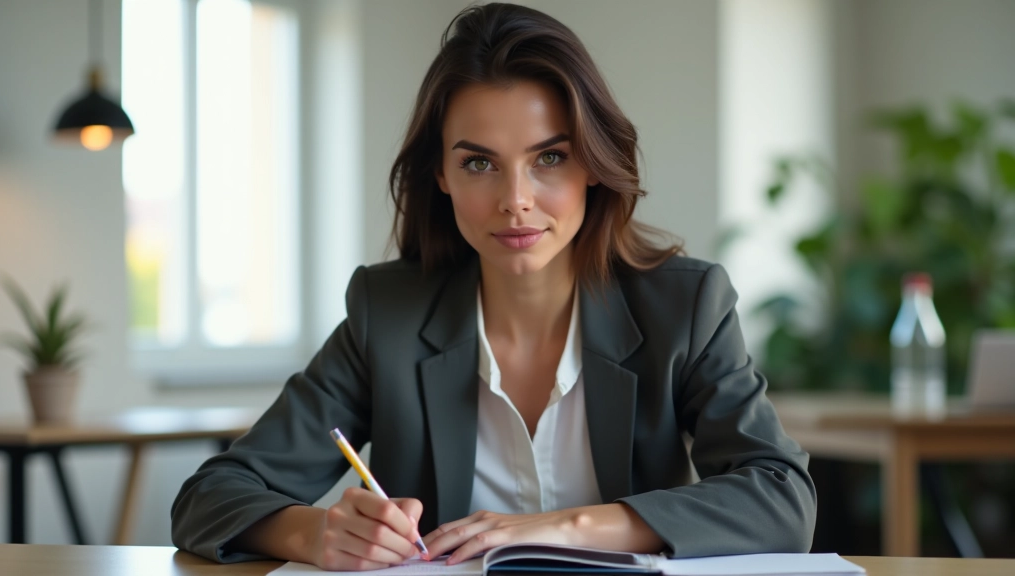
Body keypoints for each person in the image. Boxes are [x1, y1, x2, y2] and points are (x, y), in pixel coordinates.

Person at [171, 3, 816, 570]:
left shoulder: (684, 306)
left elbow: (782, 498)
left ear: (593, 163)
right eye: (479, 162)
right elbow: (209, 497)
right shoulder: (387, 316)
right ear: (442, 175)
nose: (515, 200)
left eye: (549, 158)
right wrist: (316, 532)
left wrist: (568, 527)